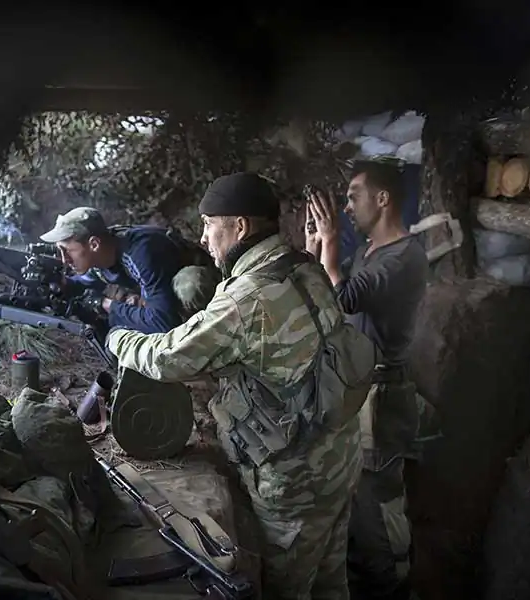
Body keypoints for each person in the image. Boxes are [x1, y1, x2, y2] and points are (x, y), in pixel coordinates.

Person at [105, 172, 377, 599]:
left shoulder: (245, 297)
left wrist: (118, 337)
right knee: (331, 578)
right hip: (341, 454)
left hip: (296, 480)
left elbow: (167, 358)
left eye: (209, 224)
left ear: (240, 227)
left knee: (289, 588)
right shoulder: (303, 266)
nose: (204, 236)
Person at [306, 160, 437, 600]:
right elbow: (327, 293)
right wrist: (315, 250)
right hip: (359, 390)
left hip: (382, 397)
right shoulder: (369, 251)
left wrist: (329, 244)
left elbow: (344, 298)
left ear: (382, 199)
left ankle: (397, 587)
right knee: (358, 499)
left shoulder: (405, 257)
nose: (346, 207)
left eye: (353, 196)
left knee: (381, 501)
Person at [40, 206, 220, 334]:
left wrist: (107, 305)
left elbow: (163, 322)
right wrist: (61, 284)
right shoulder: (102, 255)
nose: (64, 259)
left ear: (94, 244)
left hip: (207, 292)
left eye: (67, 250)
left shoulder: (140, 253)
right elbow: (84, 282)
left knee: (189, 285)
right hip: (163, 297)